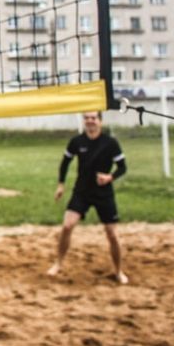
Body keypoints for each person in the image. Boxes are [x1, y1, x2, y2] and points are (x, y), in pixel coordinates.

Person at [47, 111, 129, 285]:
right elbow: (65, 162)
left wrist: (110, 177)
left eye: (93, 118)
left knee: (112, 234)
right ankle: (58, 263)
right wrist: (61, 185)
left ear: (100, 121)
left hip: (103, 193)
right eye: (87, 118)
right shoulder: (77, 141)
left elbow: (122, 167)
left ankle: (118, 271)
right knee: (67, 226)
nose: (90, 121)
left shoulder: (110, 143)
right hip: (82, 191)